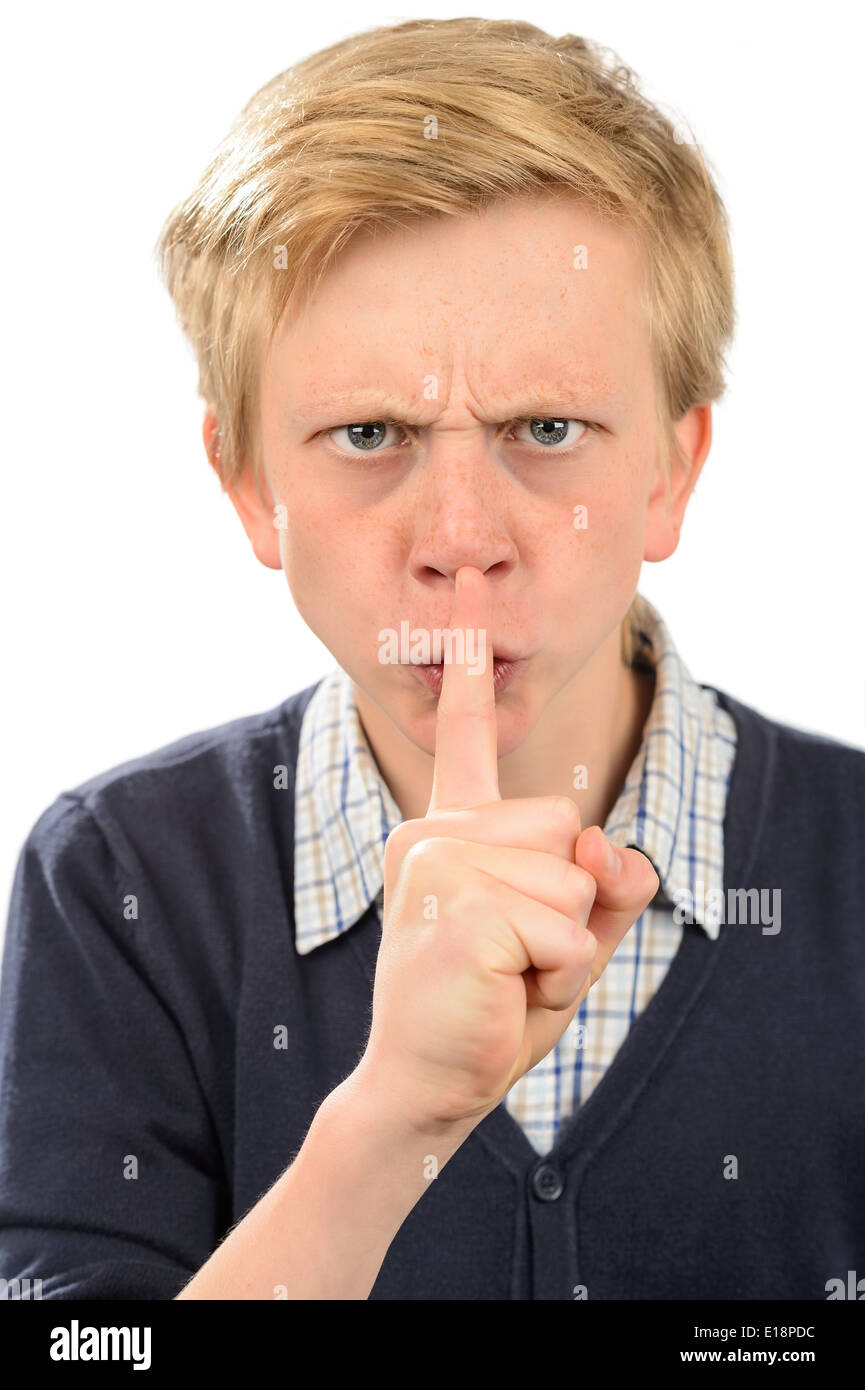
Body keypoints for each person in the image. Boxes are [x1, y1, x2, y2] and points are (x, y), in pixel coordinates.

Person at [1, 17, 863, 1302]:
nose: (461, 543)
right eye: (366, 434)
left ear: (672, 475)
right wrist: (391, 1117)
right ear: (248, 489)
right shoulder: (118, 883)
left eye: (549, 426)